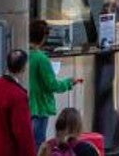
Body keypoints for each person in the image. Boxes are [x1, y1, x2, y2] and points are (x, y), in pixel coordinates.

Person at [29, 20, 84, 149]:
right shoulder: (41, 59)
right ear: (43, 38)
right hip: (39, 107)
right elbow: (53, 85)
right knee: (38, 145)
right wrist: (69, 82)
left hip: (26, 106)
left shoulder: (23, 54)